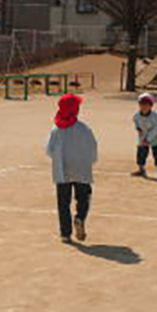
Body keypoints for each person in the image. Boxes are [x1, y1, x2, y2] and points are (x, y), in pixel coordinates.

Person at [46, 94, 98, 244]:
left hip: (62, 171)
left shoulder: (55, 130)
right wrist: (90, 162)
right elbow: (93, 148)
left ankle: (65, 233)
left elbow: (49, 150)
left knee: (63, 202)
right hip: (82, 169)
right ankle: (80, 217)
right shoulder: (84, 129)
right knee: (83, 197)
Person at [132, 93, 157, 183]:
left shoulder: (155, 116)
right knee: (141, 154)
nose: (143, 106)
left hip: (154, 138)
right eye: (141, 104)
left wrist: (149, 139)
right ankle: (141, 169)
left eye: (146, 104)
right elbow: (135, 121)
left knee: (156, 155)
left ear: (151, 106)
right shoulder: (137, 115)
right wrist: (138, 128)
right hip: (143, 137)